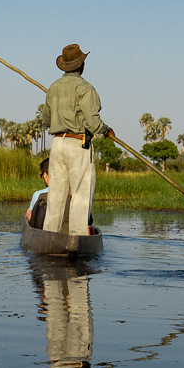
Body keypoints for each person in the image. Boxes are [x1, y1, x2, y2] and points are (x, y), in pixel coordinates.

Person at [40, 44, 114, 236]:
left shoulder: (53, 88)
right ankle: (78, 241)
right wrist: (106, 130)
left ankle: (49, 239)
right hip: (78, 143)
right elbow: (93, 122)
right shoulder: (85, 88)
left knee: (55, 195)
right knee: (81, 195)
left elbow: (47, 120)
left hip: (57, 144)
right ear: (81, 65)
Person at [25, 158, 50, 228]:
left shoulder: (39, 195)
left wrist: (28, 214)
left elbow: (30, 218)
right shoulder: (71, 193)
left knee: (28, 213)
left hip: (41, 233)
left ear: (45, 175)